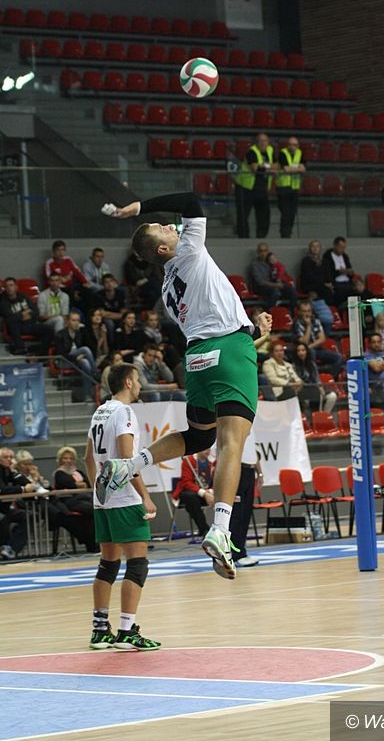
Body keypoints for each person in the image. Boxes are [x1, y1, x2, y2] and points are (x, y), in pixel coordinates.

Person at [97, 191, 272, 580]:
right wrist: (138, 209)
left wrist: (252, 331)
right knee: (232, 443)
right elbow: (192, 201)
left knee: (198, 436)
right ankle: (221, 530)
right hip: (229, 350)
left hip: (198, 358)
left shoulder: (167, 287)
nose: (169, 225)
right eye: (162, 228)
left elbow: (212, 322)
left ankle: (129, 466)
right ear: (163, 248)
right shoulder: (189, 250)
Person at [84, 362, 160, 650]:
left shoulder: (100, 411)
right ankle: (127, 631)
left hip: (102, 500)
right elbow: (128, 460)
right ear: (128, 382)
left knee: (108, 564)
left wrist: (98, 489)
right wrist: (145, 496)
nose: (140, 385)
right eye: (137, 380)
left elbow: (88, 457)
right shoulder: (124, 412)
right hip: (125, 499)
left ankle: (100, 629)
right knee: (137, 564)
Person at [234, 132, 277, 238]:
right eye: (260, 141)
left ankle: (261, 237)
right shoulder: (251, 152)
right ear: (256, 142)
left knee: (264, 215)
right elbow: (255, 168)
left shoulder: (271, 150)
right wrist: (269, 167)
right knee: (243, 215)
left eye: (265, 141)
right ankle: (244, 238)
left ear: (268, 142)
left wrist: (263, 166)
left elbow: (276, 166)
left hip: (262, 189)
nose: (263, 143)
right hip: (245, 188)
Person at [230, 425, 262, 567]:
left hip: (250, 471)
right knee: (237, 513)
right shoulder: (233, 422)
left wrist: (259, 472)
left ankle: (241, 551)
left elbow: (253, 451)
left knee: (246, 513)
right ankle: (234, 553)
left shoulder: (250, 423)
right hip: (237, 469)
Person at [0, 277, 53, 355]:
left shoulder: (23, 296)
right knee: (12, 323)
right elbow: (10, 318)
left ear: (16, 287)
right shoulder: (2, 301)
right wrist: (23, 314)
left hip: (29, 324)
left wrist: (28, 315)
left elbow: (36, 311)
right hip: (16, 327)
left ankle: (42, 352)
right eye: (6, 286)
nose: (9, 288)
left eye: (11, 285)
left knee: (49, 329)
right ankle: (20, 348)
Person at [0, 447, 35, 560]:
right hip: (1, 510)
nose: (9, 459)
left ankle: (11, 549)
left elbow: (28, 484)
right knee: (3, 520)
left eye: (11, 457)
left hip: (4, 508)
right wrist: (22, 489)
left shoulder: (8, 470)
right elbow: (2, 490)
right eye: (5, 457)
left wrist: (14, 471)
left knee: (28, 516)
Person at [54, 311, 99, 401]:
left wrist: (79, 358)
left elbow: (90, 347)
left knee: (85, 363)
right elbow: (60, 354)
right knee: (85, 349)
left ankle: (87, 395)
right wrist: (75, 358)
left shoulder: (79, 333)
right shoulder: (60, 334)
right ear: (68, 321)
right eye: (73, 320)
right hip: (64, 361)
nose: (76, 323)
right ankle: (95, 375)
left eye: (78, 320)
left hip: (77, 361)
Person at [292, 300, 343, 378]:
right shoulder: (297, 324)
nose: (307, 314)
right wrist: (308, 326)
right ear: (299, 312)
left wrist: (309, 347)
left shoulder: (316, 321)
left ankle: (330, 379)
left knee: (338, 357)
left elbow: (322, 339)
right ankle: (313, 379)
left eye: (309, 311)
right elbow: (304, 342)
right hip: (301, 352)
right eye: (304, 311)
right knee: (311, 353)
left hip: (317, 349)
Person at [172, 449, 215, 538]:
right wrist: (204, 493)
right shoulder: (188, 461)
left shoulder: (213, 462)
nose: (207, 451)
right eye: (205, 448)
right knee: (191, 498)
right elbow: (186, 482)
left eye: (209, 448)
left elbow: (218, 480)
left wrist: (210, 491)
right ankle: (204, 529)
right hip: (190, 493)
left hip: (209, 492)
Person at [249, 242, 297, 313]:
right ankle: (269, 313)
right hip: (261, 287)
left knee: (291, 290)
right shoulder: (255, 265)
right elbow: (260, 281)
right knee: (275, 291)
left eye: (265, 251)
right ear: (258, 252)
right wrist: (276, 285)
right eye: (261, 251)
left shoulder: (272, 262)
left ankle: (291, 313)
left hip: (275, 285)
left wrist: (280, 279)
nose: (263, 253)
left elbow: (283, 273)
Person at [44, 239, 91, 310]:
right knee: (70, 293)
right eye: (58, 250)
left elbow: (77, 272)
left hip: (72, 286)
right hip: (59, 288)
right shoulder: (49, 263)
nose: (61, 253)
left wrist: (85, 282)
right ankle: (70, 313)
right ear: (53, 252)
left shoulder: (68, 259)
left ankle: (90, 313)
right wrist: (63, 280)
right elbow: (50, 280)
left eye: (62, 250)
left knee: (88, 291)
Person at [291, 340, 337, 413]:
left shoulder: (312, 364)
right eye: (298, 351)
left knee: (332, 396)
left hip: (314, 388)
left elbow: (316, 378)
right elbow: (297, 381)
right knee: (309, 397)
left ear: (306, 352)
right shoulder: (293, 366)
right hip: (303, 390)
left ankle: (324, 415)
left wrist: (320, 387)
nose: (301, 353)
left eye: (303, 350)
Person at [276, 135, 305, 238]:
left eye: (294, 145)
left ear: (298, 146)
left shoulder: (300, 153)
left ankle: (288, 233)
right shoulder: (283, 153)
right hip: (283, 187)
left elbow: (303, 169)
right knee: (286, 213)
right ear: (287, 145)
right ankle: (284, 235)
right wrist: (297, 168)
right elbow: (286, 169)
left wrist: (292, 168)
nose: (292, 147)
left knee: (292, 213)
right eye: (290, 144)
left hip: (295, 187)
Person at [299, 239, 335, 306]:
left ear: (320, 248)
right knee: (326, 291)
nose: (315, 248)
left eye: (317, 246)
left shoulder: (325, 261)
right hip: (310, 285)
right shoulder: (306, 261)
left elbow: (328, 274)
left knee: (336, 289)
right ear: (310, 249)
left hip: (323, 285)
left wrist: (329, 283)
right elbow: (309, 277)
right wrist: (324, 284)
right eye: (313, 246)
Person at [322, 236, 357, 306]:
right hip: (336, 282)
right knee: (342, 290)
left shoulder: (345, 256)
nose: (342, 250)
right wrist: (339, 272)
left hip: (347, 281)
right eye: (341, 247)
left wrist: (350, 272)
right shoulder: (327, 257)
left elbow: (349, 268)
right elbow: (327, 273)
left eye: (344, 248)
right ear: (335, 246)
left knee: (359, 289)